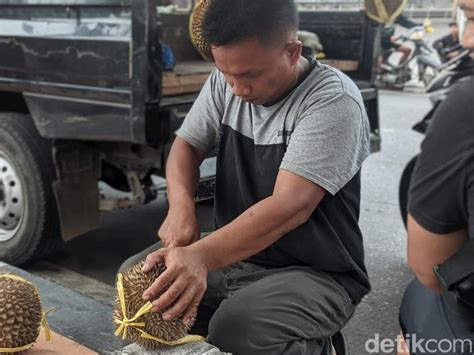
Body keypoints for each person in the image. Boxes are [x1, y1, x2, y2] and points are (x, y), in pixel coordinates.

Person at [119, 0, 371, 354]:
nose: (237, 89)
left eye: (250, 75)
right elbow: (186, 147)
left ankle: (315, 345)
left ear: (292, 51)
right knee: (135, 281)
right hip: (237, 253)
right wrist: (180, 208)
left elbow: (290, 206)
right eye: (226, 74)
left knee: (236, 328)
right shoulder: (230, 80)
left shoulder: (332, 101)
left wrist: (201, 256)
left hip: (316, 271)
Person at [398, 1, 474, 354]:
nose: (468, 38)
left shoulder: (467, 105)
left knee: (420, 295)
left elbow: (431, 270)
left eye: (472, 17)